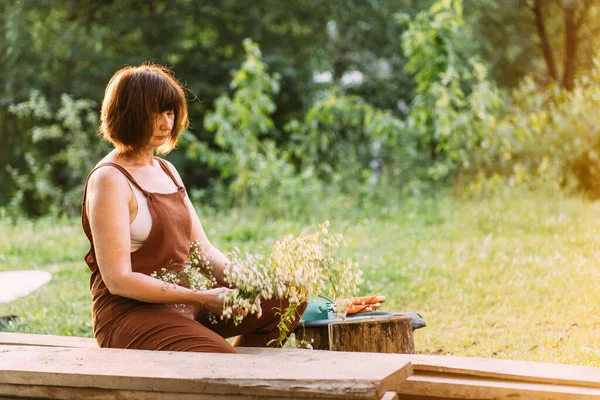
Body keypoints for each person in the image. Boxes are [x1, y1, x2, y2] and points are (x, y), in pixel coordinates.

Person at [82, 63, 306, 352]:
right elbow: (118, 280)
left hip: (183, 306)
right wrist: (201, 298)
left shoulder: (166, 170)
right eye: (154, 114)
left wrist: (254, 284)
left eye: (170, 112)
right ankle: (231, 373)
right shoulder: (110, 179)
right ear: (127, 115)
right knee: (219, 360)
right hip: (130, 316)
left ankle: (251, 373)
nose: (166, 124)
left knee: (288, 295)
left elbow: (202, 251)